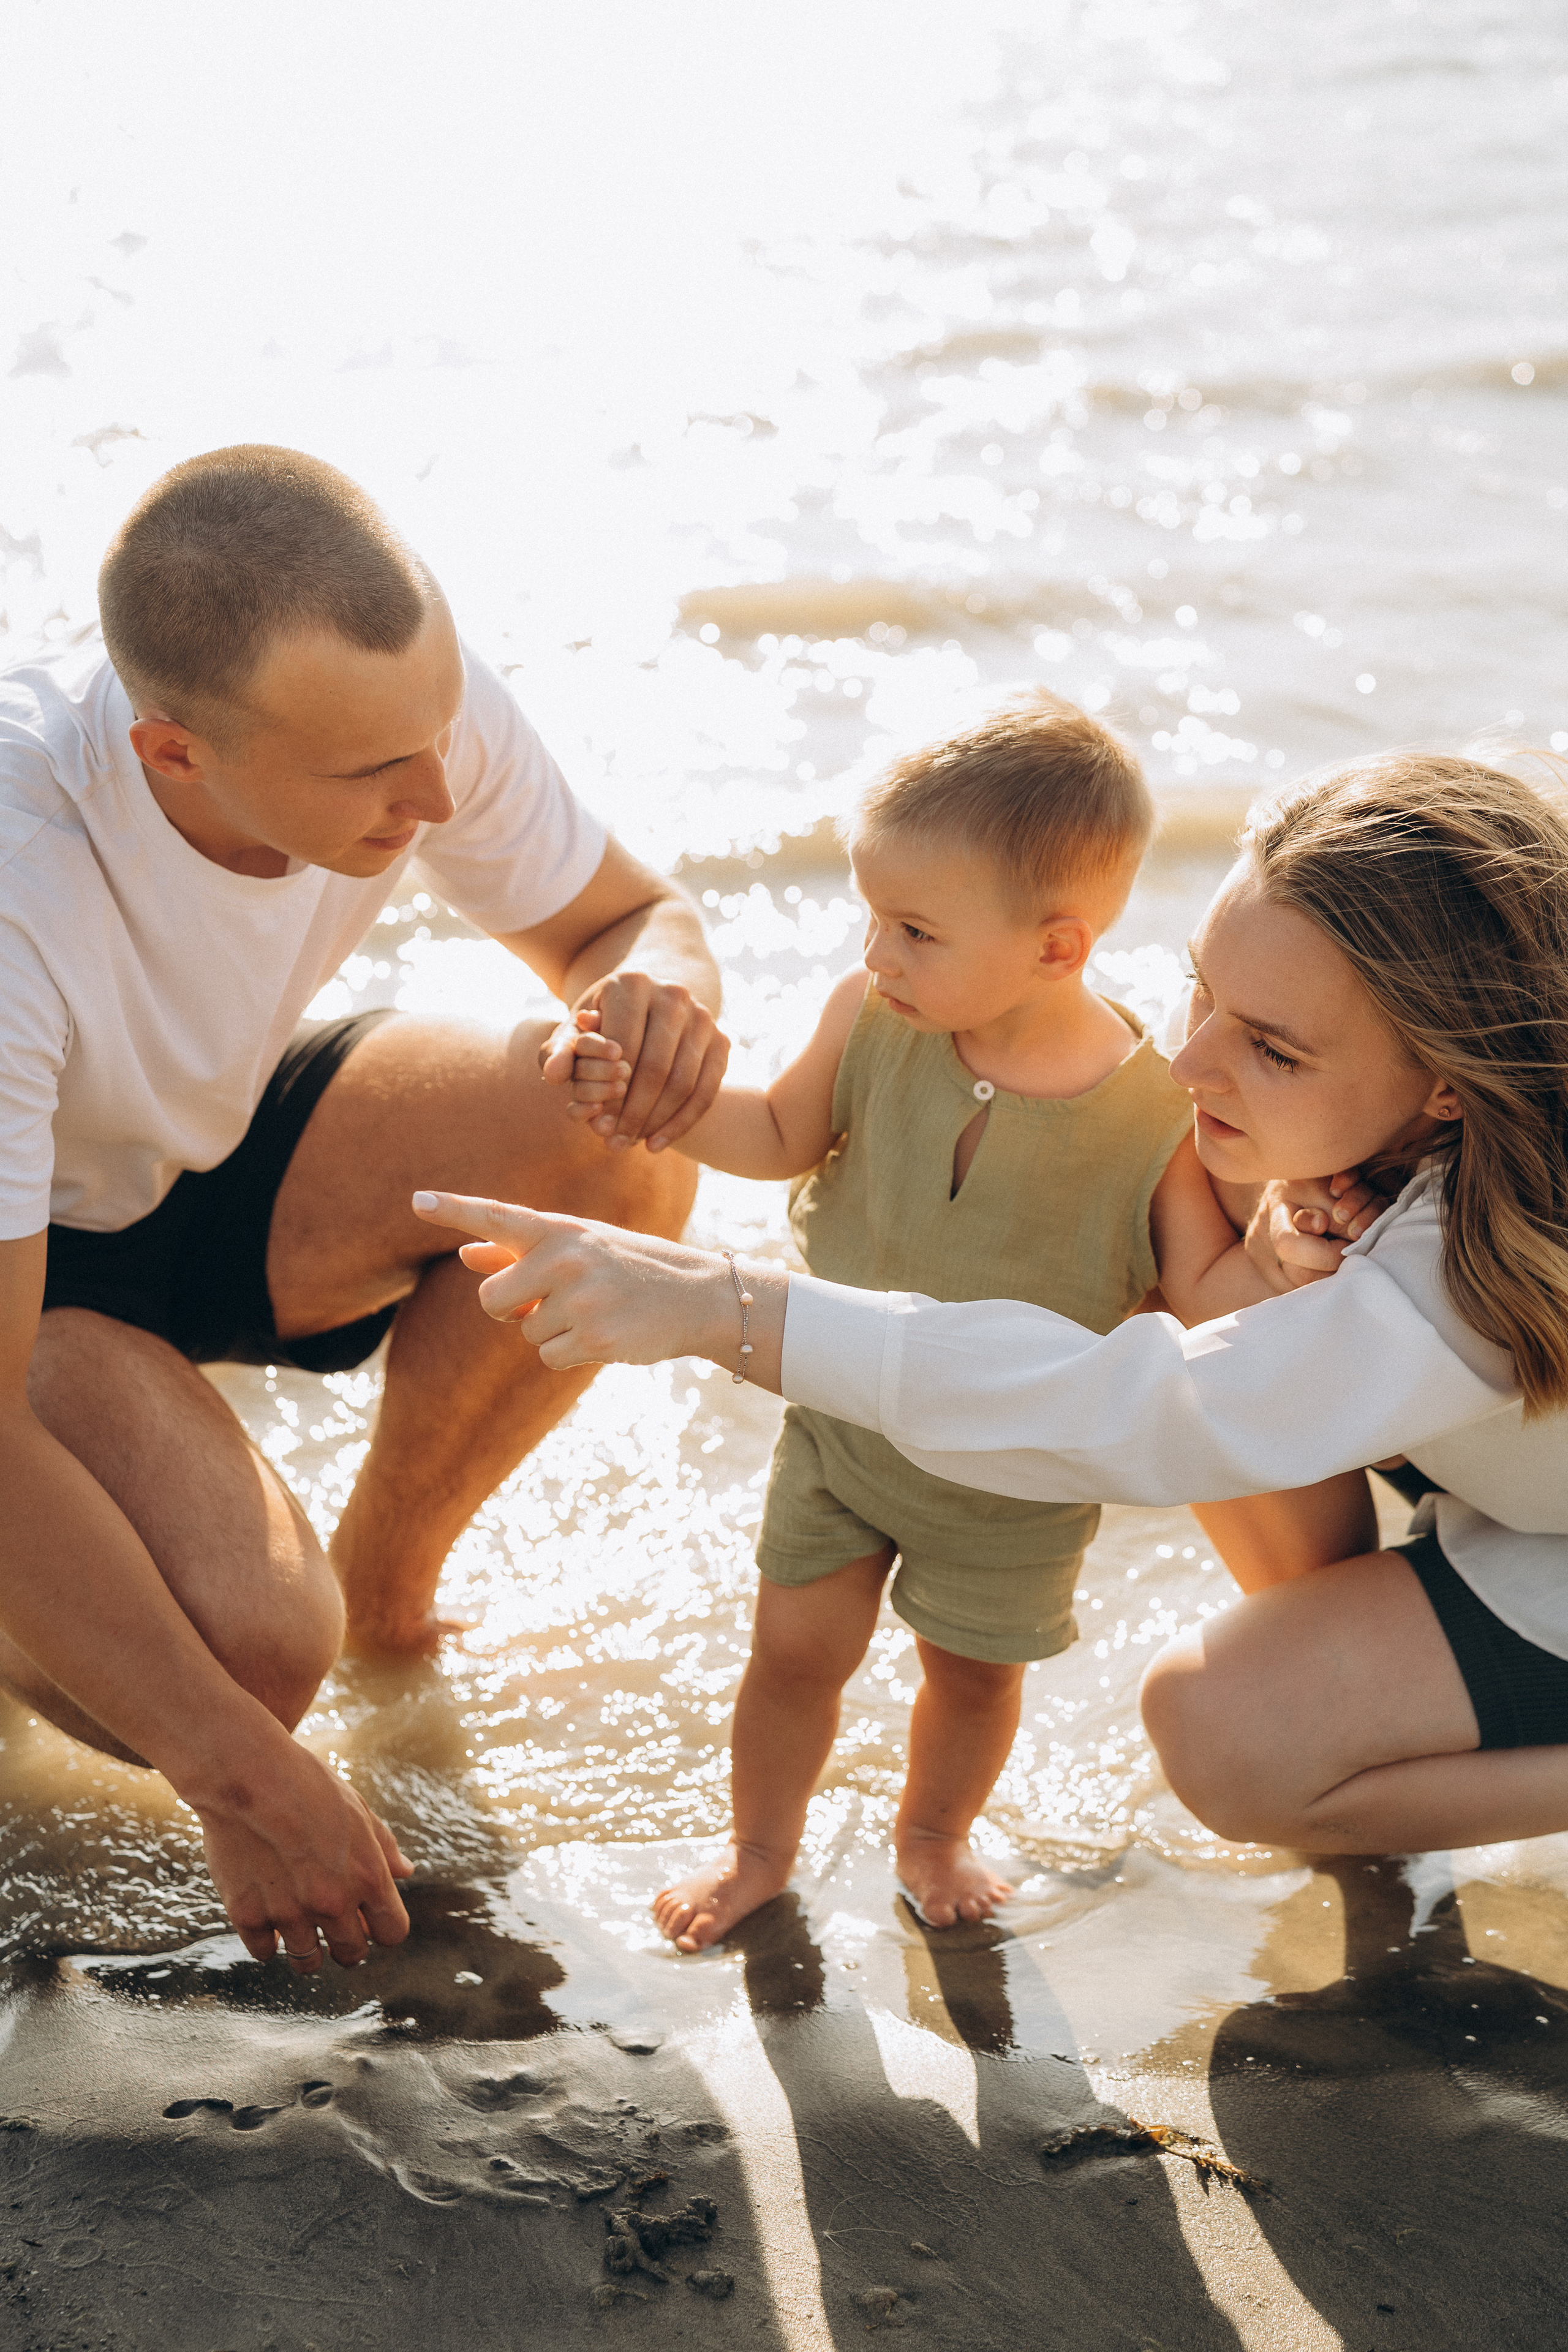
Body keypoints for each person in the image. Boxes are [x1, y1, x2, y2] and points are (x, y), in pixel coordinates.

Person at [418, 749, 1568, 1858]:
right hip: (1489, 1485)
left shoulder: (1460, 1280)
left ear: (1449, 1090)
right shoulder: (1397, 1122)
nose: (1186, 1064)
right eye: (1201, 988)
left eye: (1269, 1049)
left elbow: (1137, 1413)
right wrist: (1278, 1214)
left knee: (1221, 1734)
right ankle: (1359, 1638)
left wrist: (725, 1307)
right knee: (1161, 1250)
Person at [0, 445, 725, 1975]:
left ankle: (400, 1611)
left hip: (194, 1151)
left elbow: (619, 916)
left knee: (615, 1146)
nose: (440, 792)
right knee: (251, 1658)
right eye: (373, 775)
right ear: (174, 755)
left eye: (436, 731)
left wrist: (664, 988)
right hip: (27, 1265)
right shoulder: (20, 887)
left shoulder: (400, 707)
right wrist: (239, 1771)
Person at [571, 693, 1286, 1946]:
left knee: (968, 1681)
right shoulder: (873, 1020)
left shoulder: (1152, 1114)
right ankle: (755, 1851)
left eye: (911, 929)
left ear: (1057, 949)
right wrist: (654, 1099)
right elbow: (775, 1133)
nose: (874, 953)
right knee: (791, 1653)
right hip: (842, 1429)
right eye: (868, 917)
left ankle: (933, 1837)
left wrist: (1296, 1240)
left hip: (1013, 1475)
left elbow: (1203, 1298)